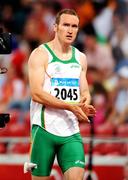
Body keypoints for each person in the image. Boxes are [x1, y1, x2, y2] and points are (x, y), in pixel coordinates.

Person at [28, 8, 96, 180]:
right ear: (55, 27)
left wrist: (84, 102)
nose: (70, 30)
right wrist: (69, 106)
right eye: (66, 25)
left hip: (71, 131)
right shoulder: (40, 54)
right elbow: (36, 93)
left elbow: (85, 91)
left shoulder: (80, 58)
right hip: (44, 131)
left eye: (74, 26)